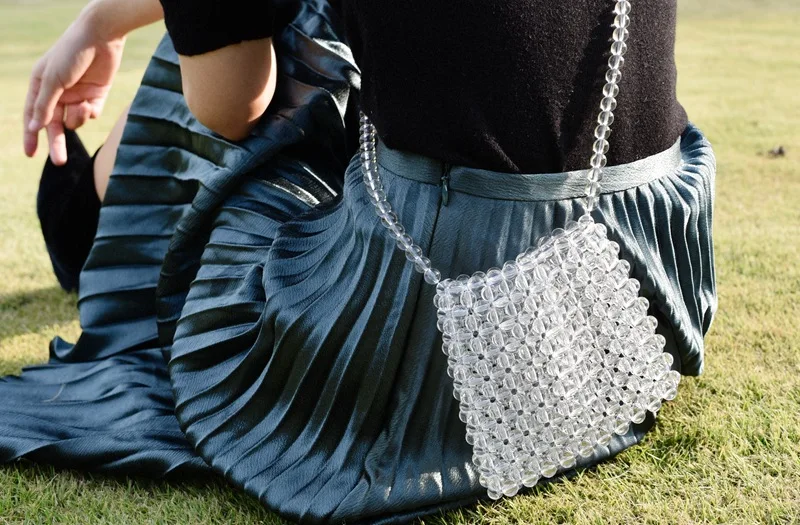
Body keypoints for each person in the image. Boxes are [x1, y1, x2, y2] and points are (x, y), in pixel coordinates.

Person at [3, 0, 717, 523]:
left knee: (246, 48)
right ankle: (91, 204)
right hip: (655, 260)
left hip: (445, 277)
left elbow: (231, 107)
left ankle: (94, 209)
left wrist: (113, 24)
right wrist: (105, 19)